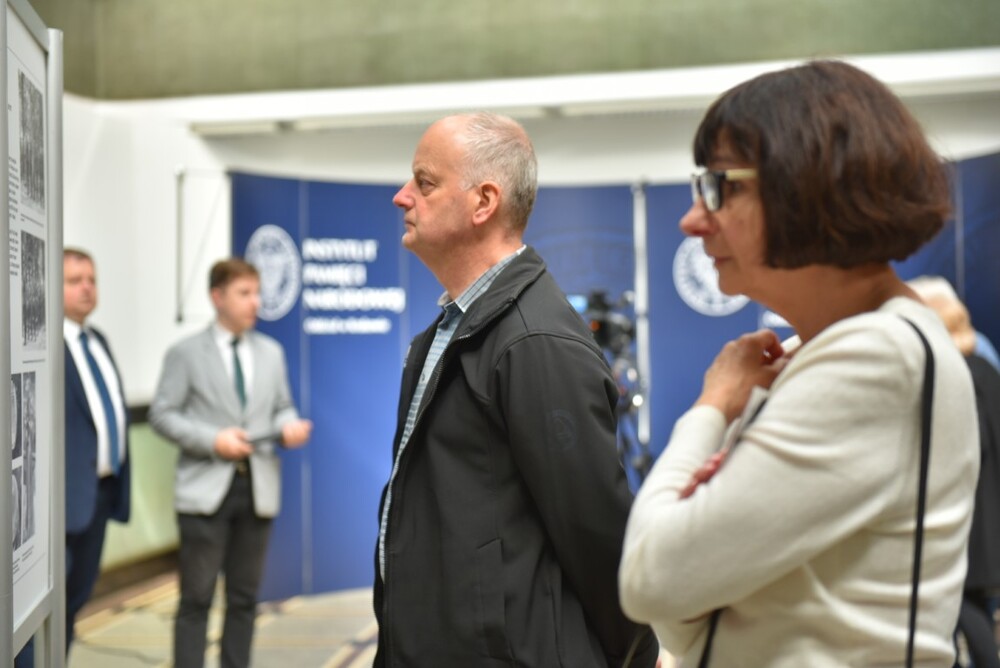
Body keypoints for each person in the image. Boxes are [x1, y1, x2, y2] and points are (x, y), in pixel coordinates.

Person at [618, 60, 979, 666]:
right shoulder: (816, 353)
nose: (692, 220)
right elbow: (681, 620)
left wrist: (711, 407)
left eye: (721, 186)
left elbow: (652, 577)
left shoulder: (876, 358)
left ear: (811, 185)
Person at [373, 112, 659, 667]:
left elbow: (596, 534)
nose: (401, 196)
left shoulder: (535, 342)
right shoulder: (453, 329)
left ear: (483, 202)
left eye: (424, 183)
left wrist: (637, 657)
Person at [149, 258, 312, 668]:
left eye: (257, 293)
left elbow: (282, 406)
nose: (255, 302)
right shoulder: (185, 354)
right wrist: (213, 440)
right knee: (196, 598)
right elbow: (162, 415)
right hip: (204, 491)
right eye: (245, 293)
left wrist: (288, 425)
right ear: (217, 297)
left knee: (244, 598)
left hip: (257, 489)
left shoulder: (271, 352)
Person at [908, 276, 1000, 668]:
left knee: (964, 603)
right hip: (983, 506)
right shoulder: (984, 364)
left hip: (967, 509)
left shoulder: (955, 372)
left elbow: (961, 447)